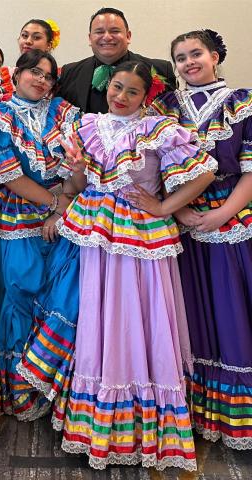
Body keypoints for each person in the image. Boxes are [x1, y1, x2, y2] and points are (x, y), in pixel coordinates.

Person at [53, 61, 217, 470]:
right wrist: (74, 173)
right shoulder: (88, 126)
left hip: (141, 234)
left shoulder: (159, 129)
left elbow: (205, 173)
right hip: (95, 233)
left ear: (146, 97)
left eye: (131, 92)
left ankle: (141, 422)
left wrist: (163, 206)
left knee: (140, 314)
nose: (120, 96)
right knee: (99, 313)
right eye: (117, 87)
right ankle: (102, 421)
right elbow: (76, 186)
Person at [149, 30, 252, 450]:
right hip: (180, 224)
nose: (189, 62)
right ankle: (193, 411)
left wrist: (223, 213)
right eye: (180, 57)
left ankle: (236, 417)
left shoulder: (243, 101)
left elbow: (250, 169)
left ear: (215, 56)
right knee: (187, 315)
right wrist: (180, 210)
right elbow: (149, 168)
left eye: (196, 54)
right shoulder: (163, 106)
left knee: (232, 313)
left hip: (232, 219)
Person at [0, 49, 80, 420]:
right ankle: (18, 385)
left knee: (57, 294)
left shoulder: (67, 113)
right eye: (34, 72)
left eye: (48, 76)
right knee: (20, 291)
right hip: (19, 213)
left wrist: (63, 202)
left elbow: (78, 165)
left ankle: (51, 381)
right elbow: (8, 173)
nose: (40, 80)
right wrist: (55, 203)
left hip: (66, 211)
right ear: (17, 74)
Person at [58, 7, 176, 113]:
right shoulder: (69, 73)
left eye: (115, 31)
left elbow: (172, 116)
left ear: (128, 36)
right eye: (99, 32)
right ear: (90, 38)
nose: (107, 37)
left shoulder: (160, 70)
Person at [0, 19, 61, 97]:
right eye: (24, 36)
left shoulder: (60, 77)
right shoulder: (2, 75)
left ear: (49, 45)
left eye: (36, 37)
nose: (28, 41)